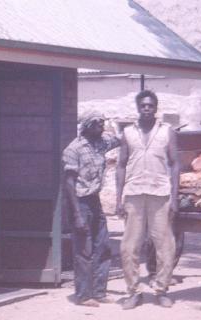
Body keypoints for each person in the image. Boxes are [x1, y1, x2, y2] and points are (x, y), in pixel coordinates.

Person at [116, 90, 179, 309]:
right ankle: (133, 292)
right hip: (133, 194)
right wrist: (118, 198)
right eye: (143, 105)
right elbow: (121, 164)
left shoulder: (167, 132)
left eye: (150, 105)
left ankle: (161, 289)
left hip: (160, 194)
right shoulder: (127, 133)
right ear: (137, 107)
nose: (146, 109)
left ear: (156, 108)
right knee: (129, 246)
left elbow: (175, 164)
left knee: (165, 245)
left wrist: (175, 197)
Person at [62, 111, 120, 307]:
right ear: (87, 126)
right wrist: (77, 214)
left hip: (95, 201)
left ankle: (99, 292)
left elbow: (119, 140)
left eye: (103, 123)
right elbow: (69, 183)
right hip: (79, 203)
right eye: (97, 124)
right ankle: (84, 295)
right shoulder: (74, 149)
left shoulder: (100, 143)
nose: (101, 127)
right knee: (83, 251)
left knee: (103, 246)